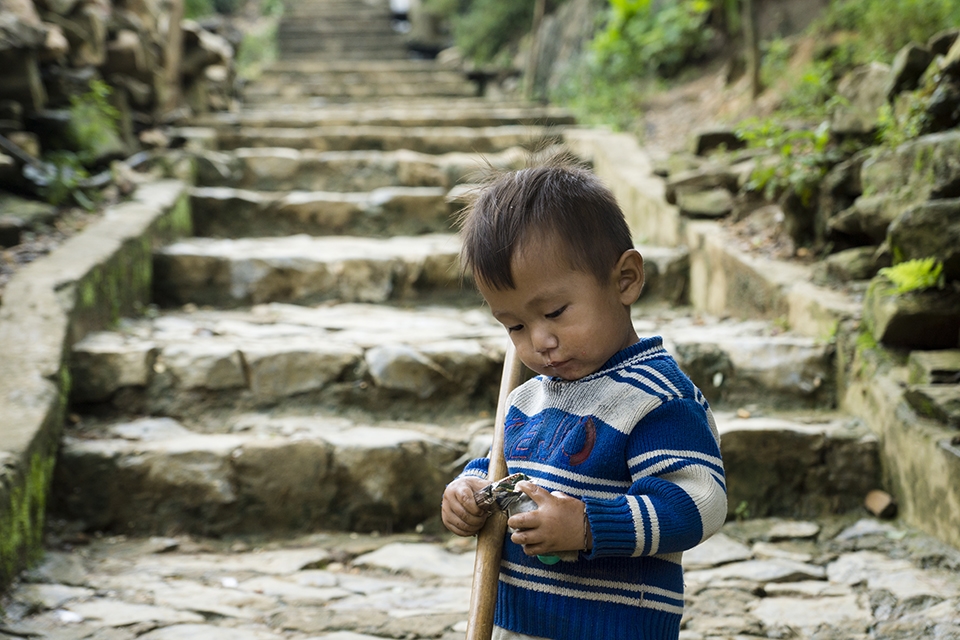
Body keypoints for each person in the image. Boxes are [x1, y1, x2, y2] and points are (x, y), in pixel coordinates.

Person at [441, 159, 727, 640]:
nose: (539, 340)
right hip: (520, 623)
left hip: (612, 628)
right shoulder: (528, 399)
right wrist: (472, 490)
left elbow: (700, 502)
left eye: (554, 312)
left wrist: (589, 525)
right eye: (514, 325)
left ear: (625, 280)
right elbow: (510, 473)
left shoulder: (656, 398)